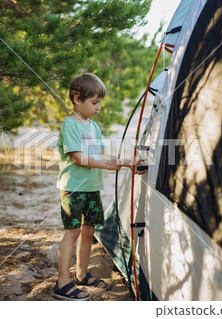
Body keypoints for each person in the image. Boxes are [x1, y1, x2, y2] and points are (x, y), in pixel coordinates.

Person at [53, 73, 145, 300]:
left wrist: (127, 164)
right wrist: (106, 165)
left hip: (92, 188)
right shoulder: (70, 124)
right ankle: (62, 282)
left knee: (89, 231)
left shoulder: (94, 127)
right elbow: (78, 158)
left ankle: (82, 275)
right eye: (94, 102)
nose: (99, 107)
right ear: (76, 99)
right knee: (73, 232)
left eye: (100, 102)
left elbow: (104, 154)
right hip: (74, 188)